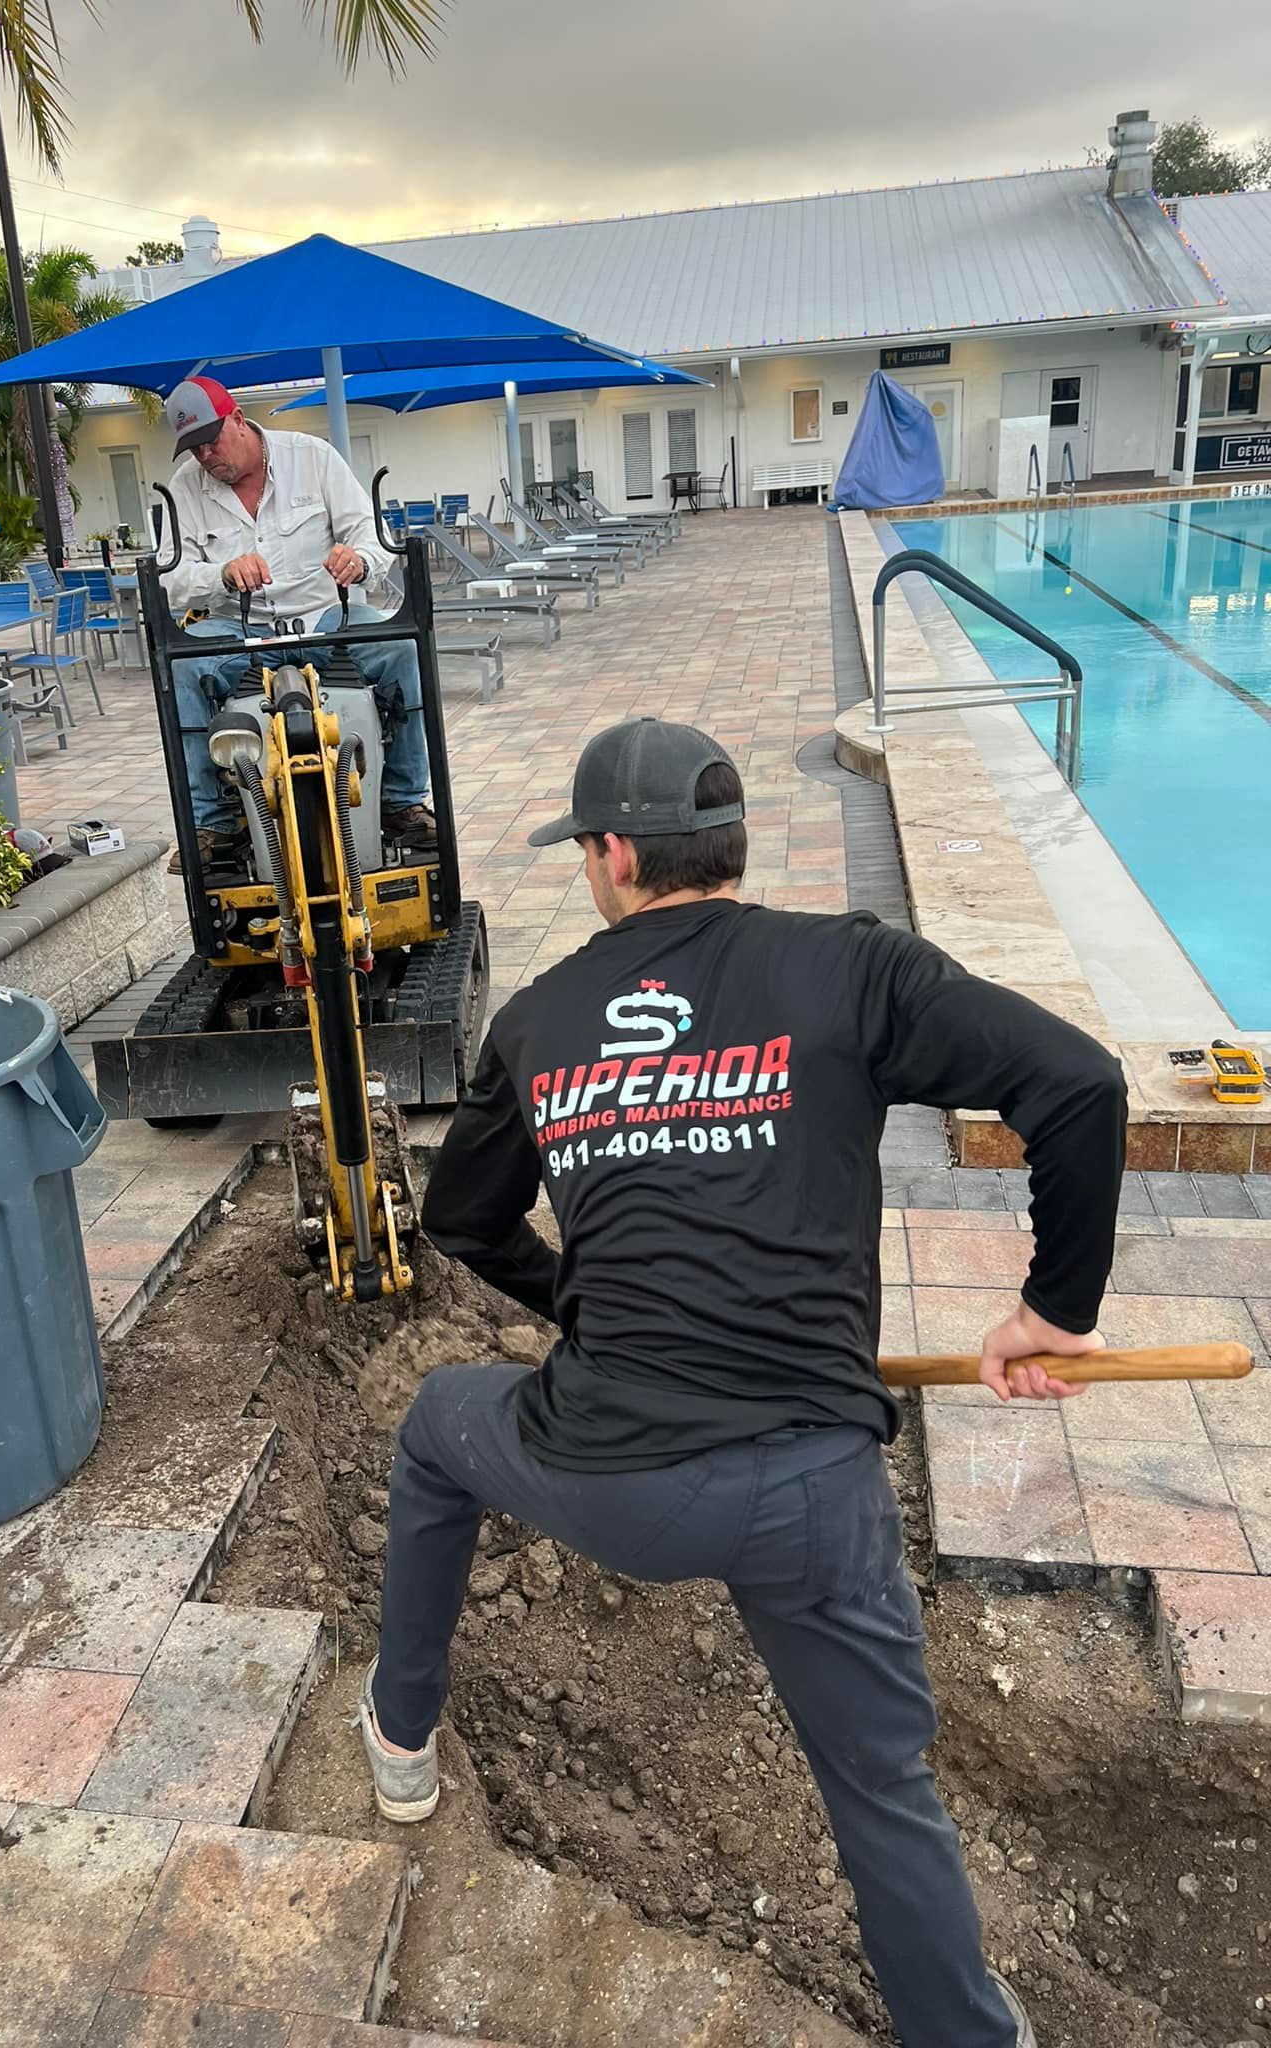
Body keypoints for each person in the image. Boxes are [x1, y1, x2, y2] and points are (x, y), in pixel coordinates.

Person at [357, 717, 1128, 2048]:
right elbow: (1078, 1084)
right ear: (730, 845)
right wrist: (1051, 1310)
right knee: (881, 1789)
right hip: (815, 1491)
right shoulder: (849, 971)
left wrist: (584, 1305)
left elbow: (464, 1222)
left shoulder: (538, 1023)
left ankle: (401, 1737)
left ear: (611, 856)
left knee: (438, 1428)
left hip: (612, 1480)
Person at [158, 375, 435, 870]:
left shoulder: (313, 457)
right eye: (193, 449)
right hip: (237, 630)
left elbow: (370, 535)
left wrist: (361, 561)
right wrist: (221, 574)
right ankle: (212, 824)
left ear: (238, 420)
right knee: (181, 668)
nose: (204, 457)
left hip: (326, 617)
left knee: (402, 650)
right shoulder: (184, 490)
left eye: (210, 441)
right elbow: (170, 579)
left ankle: (402, 802)